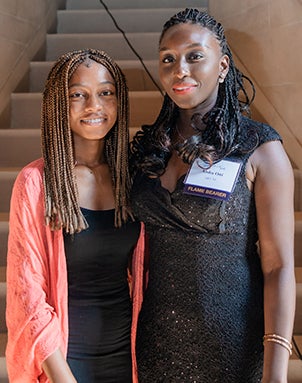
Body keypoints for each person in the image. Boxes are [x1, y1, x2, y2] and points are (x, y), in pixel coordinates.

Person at [130, 8, 296, 383]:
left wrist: (276, 372)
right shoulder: (148, 151)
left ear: (222, 66)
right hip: (155, 348)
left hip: (233, 350)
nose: (180, 70)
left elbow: (279, 267)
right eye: (168, 59)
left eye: (194, 56)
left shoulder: (260, 149)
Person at [6, 48, 147, 383]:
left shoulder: (134, 178)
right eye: (78, 95)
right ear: (58, 103)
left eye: (105, 93)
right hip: (64, 359)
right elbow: (28, 295)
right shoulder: (37, 183)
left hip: (127, 355)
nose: (94, 106)